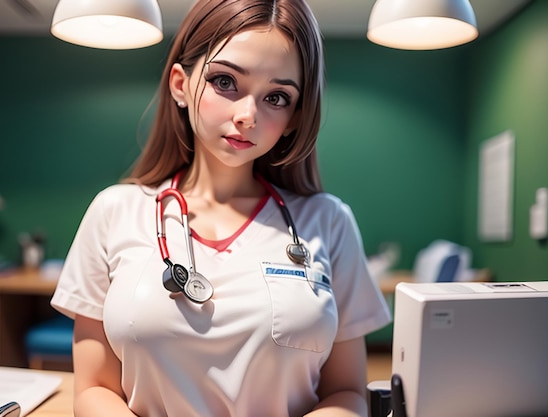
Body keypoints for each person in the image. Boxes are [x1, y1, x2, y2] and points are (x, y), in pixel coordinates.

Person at [50, 0, 392, 416]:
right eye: (225, 81)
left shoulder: (329, 222)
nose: (248, 115)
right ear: (180, 84)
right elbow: (93, 390)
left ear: (296, 117)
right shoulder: (114, 211)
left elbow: (347, 394)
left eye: (278, 97)